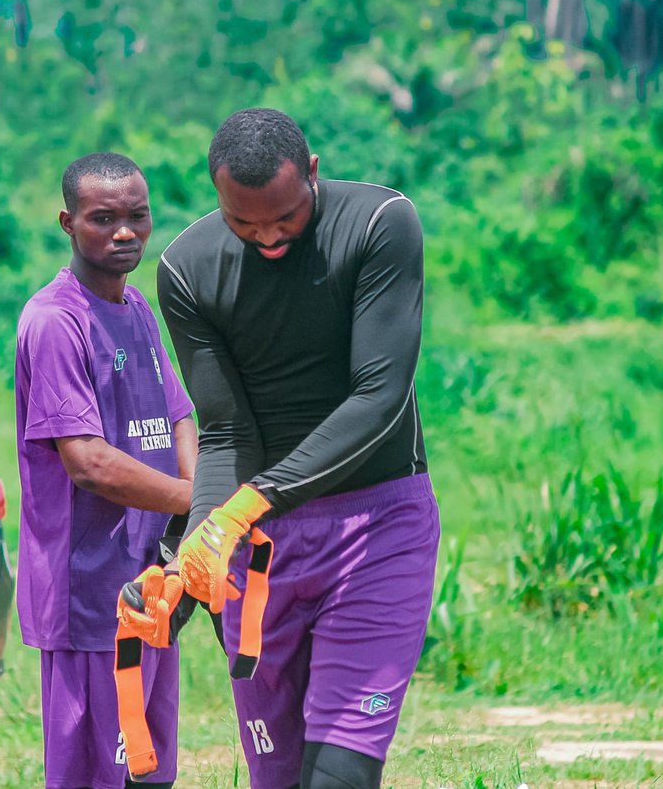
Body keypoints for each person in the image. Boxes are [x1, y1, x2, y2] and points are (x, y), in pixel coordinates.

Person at [124, 109, 439, 788]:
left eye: (286, 218)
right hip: (262, 553)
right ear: (218, 196)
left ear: (313, 174)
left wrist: (249, 503)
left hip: (377, 529)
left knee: (339, 774)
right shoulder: (188, 269)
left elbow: (378, 397)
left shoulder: (379, 224)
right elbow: (227, 431)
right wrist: (190, 562)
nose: (268, 237)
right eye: (245, 223)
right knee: (281, 777)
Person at [14, 152, 197, 789]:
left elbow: (179, 416)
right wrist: (193, 501)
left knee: (151, 767)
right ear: (68, 223)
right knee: (98, 773)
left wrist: (195, 513)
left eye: (137, 216)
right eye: (103, 218)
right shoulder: (56, 321)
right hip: (90, 593)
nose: (124, 232)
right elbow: (88, 463)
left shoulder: (138, 308)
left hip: (153, 582)